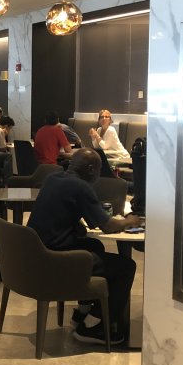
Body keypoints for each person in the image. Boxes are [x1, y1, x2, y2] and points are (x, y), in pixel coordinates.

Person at [27, 148, 142, 345]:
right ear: (90, 169)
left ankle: (83, 311)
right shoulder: (80, 187)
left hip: (39, 253)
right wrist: (130, 221)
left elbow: (64, 214)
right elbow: (107, 226)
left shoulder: (53, 179)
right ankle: (94, 326)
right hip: (56, 260)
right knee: (126, 267)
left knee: (94, 245)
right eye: (99, 169)